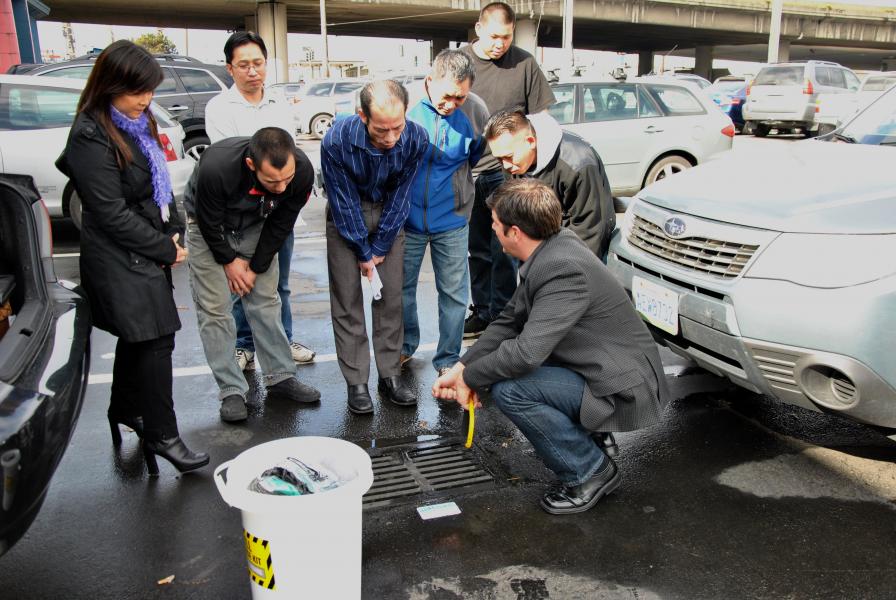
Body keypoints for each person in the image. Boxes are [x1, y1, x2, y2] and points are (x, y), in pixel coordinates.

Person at [433, 179, 669, 515]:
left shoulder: (561, 269)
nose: (493, 230)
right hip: (600, 369)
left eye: (496, 225)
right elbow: (508, 321)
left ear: (515, 232)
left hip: (623, 386)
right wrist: (461, 367)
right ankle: (589, 445)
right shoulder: (553, 247)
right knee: (515, 373)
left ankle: (589, 471)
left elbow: (526, 353)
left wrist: (471, 379)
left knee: (512, 389)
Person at [55, 40, 208, 475]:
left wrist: (175, 230)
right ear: (109, 86)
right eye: (137, 90)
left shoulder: (136, 124)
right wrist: (163, 247)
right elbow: (109, 212)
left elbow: (160, 190)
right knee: (156, 338)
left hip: (143, 249)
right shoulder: (91, 133)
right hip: (116, 256)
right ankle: (163, 433)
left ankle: (125, 409)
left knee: (139, 337)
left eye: (149, 90)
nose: (146, 99)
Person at [187, 127, 321, 423]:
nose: (282, 187)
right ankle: (231, 390)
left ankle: (281, 376)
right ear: (251, 165)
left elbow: (282, 223)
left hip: (257, 226)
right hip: (210, 229)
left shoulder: (300, 172)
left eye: (286, 178)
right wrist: (230, 262)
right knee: (215, 310)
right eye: (273, 181)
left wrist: (256, 266)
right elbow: (207, 223)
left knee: (265, 301)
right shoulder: (217, 166)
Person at [203, 30, 316, 373]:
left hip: (278, 210)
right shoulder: (219, 107)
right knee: (242, 282)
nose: (253, 71)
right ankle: (244, 344)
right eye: (244, 65)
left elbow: (287, 157)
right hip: (242, 213)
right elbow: (236, 162)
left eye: (258, 63)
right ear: (230, 68)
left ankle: (283, 339)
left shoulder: (280, 104)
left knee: (277, 281)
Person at [321, 80, 428, 415]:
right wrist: (363, 253)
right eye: (382, 130)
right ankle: (356, 383)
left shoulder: (415, 138)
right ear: (362, 116)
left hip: (390, 216)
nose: (391, 137)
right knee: (347, 300)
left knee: (391, 297)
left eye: (397, 127)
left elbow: (402, 194)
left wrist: (380, 245)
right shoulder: (336, 139)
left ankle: (390, 375)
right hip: (345, 216)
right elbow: (342, 199)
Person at [461, 1, 556, 339]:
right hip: (472, 172)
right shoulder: (462, 62)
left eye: (507, 36)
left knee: (506, 249)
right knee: (478, 249)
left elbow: (542, 120)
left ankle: (501, 317)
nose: (500, 43)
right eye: (495, 36)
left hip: (510, 174)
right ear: (479, 29)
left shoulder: (525, 63)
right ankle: (482, 311)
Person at [401, 49, 488, 378]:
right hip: (406, 219)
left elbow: (475, 155)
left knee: (453, 294)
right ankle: (405, 346)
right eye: (447, 95)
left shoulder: (475, 110)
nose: (452, 104)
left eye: (460, 97)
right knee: (401, 289)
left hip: (452, 217)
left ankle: (448, 359)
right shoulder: (405, 105)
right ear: (430, 81)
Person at [484, 110, 616, 259]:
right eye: (499, 159)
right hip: (540, 248)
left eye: (508, 157)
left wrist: (568, 271)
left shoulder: (578, 164)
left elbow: (590, 228)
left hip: (578, 251)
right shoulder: (512, 159)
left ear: (530, 142)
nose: (505, 166)